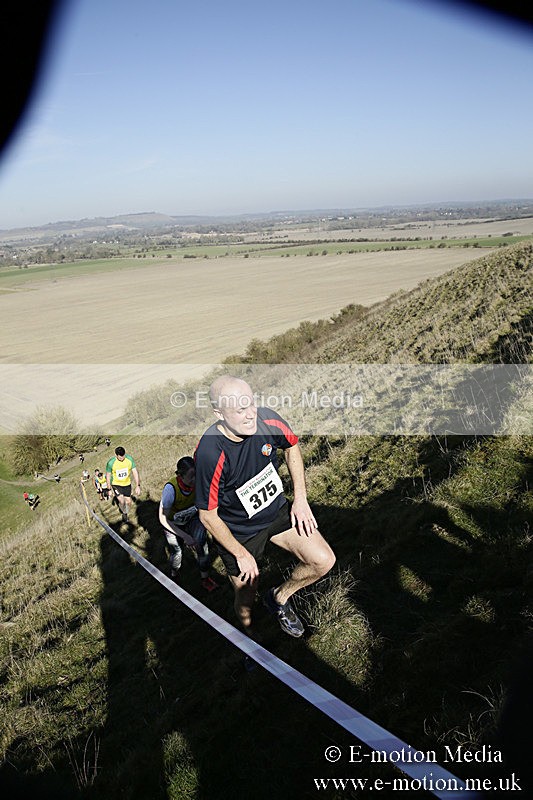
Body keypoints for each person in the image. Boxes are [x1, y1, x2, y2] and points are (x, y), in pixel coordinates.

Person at [195, 375, 335, 638]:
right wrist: (240, 554)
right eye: (239, 410)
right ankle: (252, 643)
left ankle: (279, 598)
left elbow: (292, 447)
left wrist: (301, 499)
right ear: (219, 413)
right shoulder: (210, 453)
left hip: (276, 511)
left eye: (251, 404)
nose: (250, 415)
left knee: (323, 560)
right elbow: (207, 516)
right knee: (246, 598)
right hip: (239, 532)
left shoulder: (267, 420)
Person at [159, 456, 219, 592]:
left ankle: (205, 579)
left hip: (192, 519)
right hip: (172, 524)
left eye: (196, 474)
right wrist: (185, 536)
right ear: (180, 476)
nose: (195, 479)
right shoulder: (170, 490)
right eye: (191, 476)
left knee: (202, 546)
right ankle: (174, 575)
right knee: (177, 552)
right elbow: (163, 519)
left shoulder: (199, 482)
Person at [106, 446, 140, 522]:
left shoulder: (129, 459)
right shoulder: (111, 463)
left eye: (123, 455)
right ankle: (124, 514)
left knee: (129, 502)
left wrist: (138, 485)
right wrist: (109, 489)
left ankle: (125, 512)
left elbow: (135, 472)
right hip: (116, 484)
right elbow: (108, 476)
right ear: (116, 455)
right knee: (121, 501)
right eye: (120, 456)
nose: (122, 458)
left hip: (127, 484)